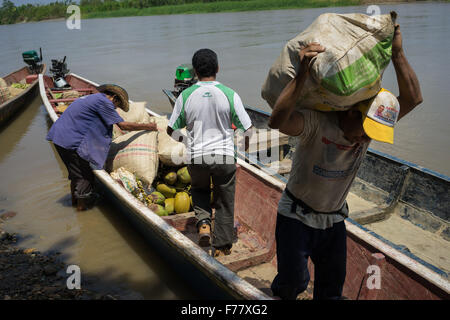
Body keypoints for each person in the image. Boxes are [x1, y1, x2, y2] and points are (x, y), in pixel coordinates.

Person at [268, 24, 422, 300]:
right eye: (364, 132)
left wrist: (397, 52)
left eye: (370, 135)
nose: (364, 140)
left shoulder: (369, 123)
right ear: (351, 113)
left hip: (334, 221)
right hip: (296, 217)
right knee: (293, 282)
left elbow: (413, 99)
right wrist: (302, 74)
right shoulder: (317, 123)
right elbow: (277, 121)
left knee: (331, 291)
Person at [167, 49, 253, 257]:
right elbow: (248, 129)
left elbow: (171, 129)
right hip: (224, 156)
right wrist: (244, 148)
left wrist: (188, 142)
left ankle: (204, 225)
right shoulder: (229, 93)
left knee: (199, 190)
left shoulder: (186, 95)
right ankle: (223, 245)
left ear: (195, 71)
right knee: (224, 199)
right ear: (217, 69)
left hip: (197, 157)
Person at [47, 84, 157, 211]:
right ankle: (81, 209)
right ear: (114, 98)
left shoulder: (93, 98)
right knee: (85, 176)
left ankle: (74, 203)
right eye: (117, 105)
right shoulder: (104, 102)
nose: (115, 108)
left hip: (60, 138)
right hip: (71, 142)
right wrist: (148, 126)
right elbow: (123, 125)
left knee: (75, 175)